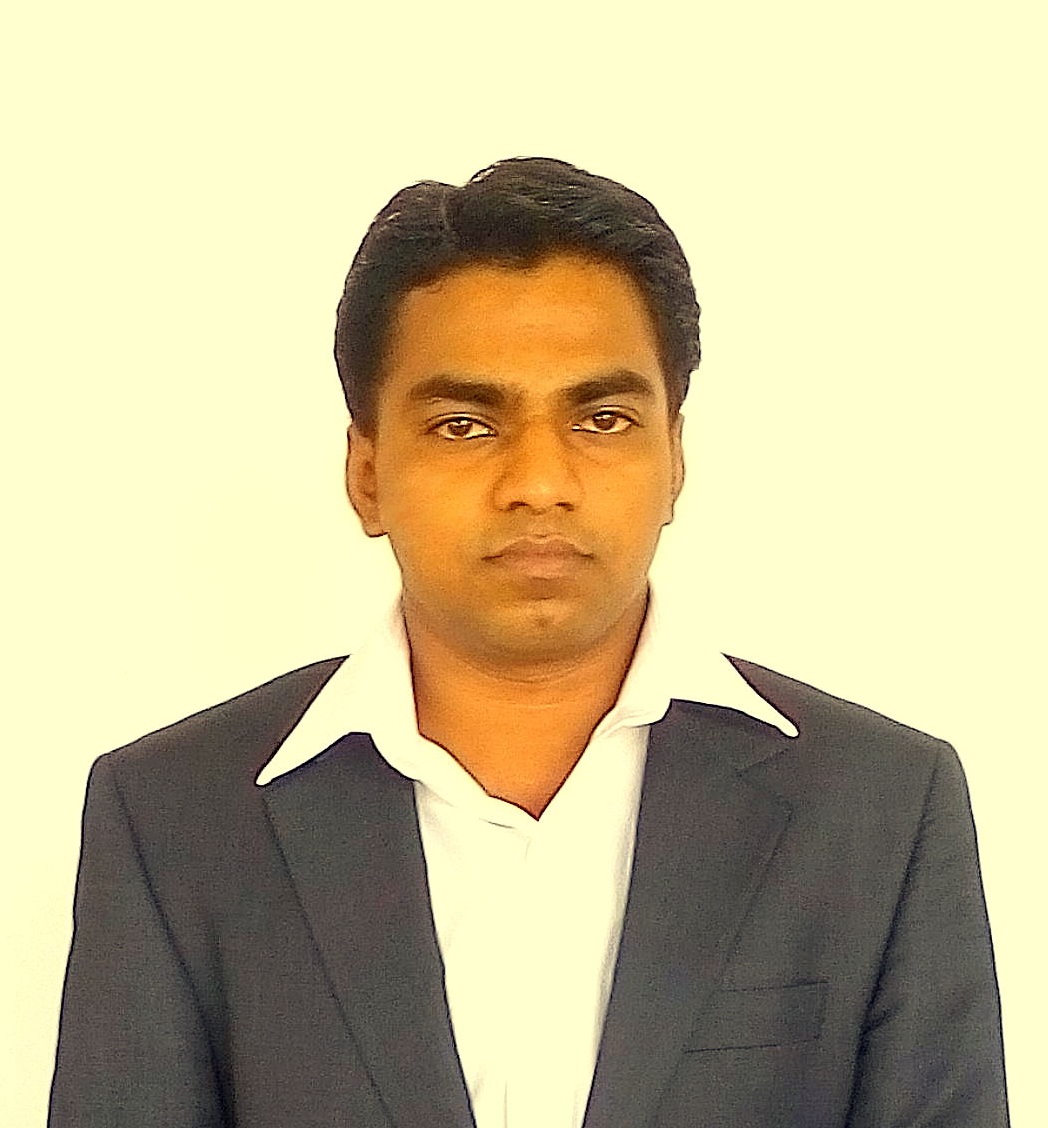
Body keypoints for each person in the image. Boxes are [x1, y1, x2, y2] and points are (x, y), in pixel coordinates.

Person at [48, 157, 1009, 1128]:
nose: (540, 482)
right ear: (368, 474)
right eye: (465, 425)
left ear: (674, 458)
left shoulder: (878, 808)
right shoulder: (176, 818)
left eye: (602, 418)